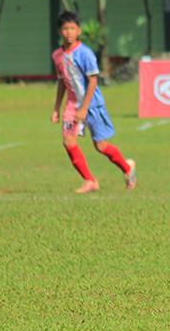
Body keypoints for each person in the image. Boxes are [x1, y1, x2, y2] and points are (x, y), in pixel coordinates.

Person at [50, 10, 136, 193]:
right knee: (69, 142)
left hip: (92, 104)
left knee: (100, 146)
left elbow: (93, 81)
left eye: (72, 28)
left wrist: (84, 109)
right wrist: (57, 108)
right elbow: (61, 82)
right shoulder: (57, 56)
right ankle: (90, 180)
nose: (69, 32)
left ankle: (127, 169)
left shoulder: (85, 53)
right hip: (72, 105)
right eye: (65, 29)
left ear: (79, 31)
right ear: (59, 31)